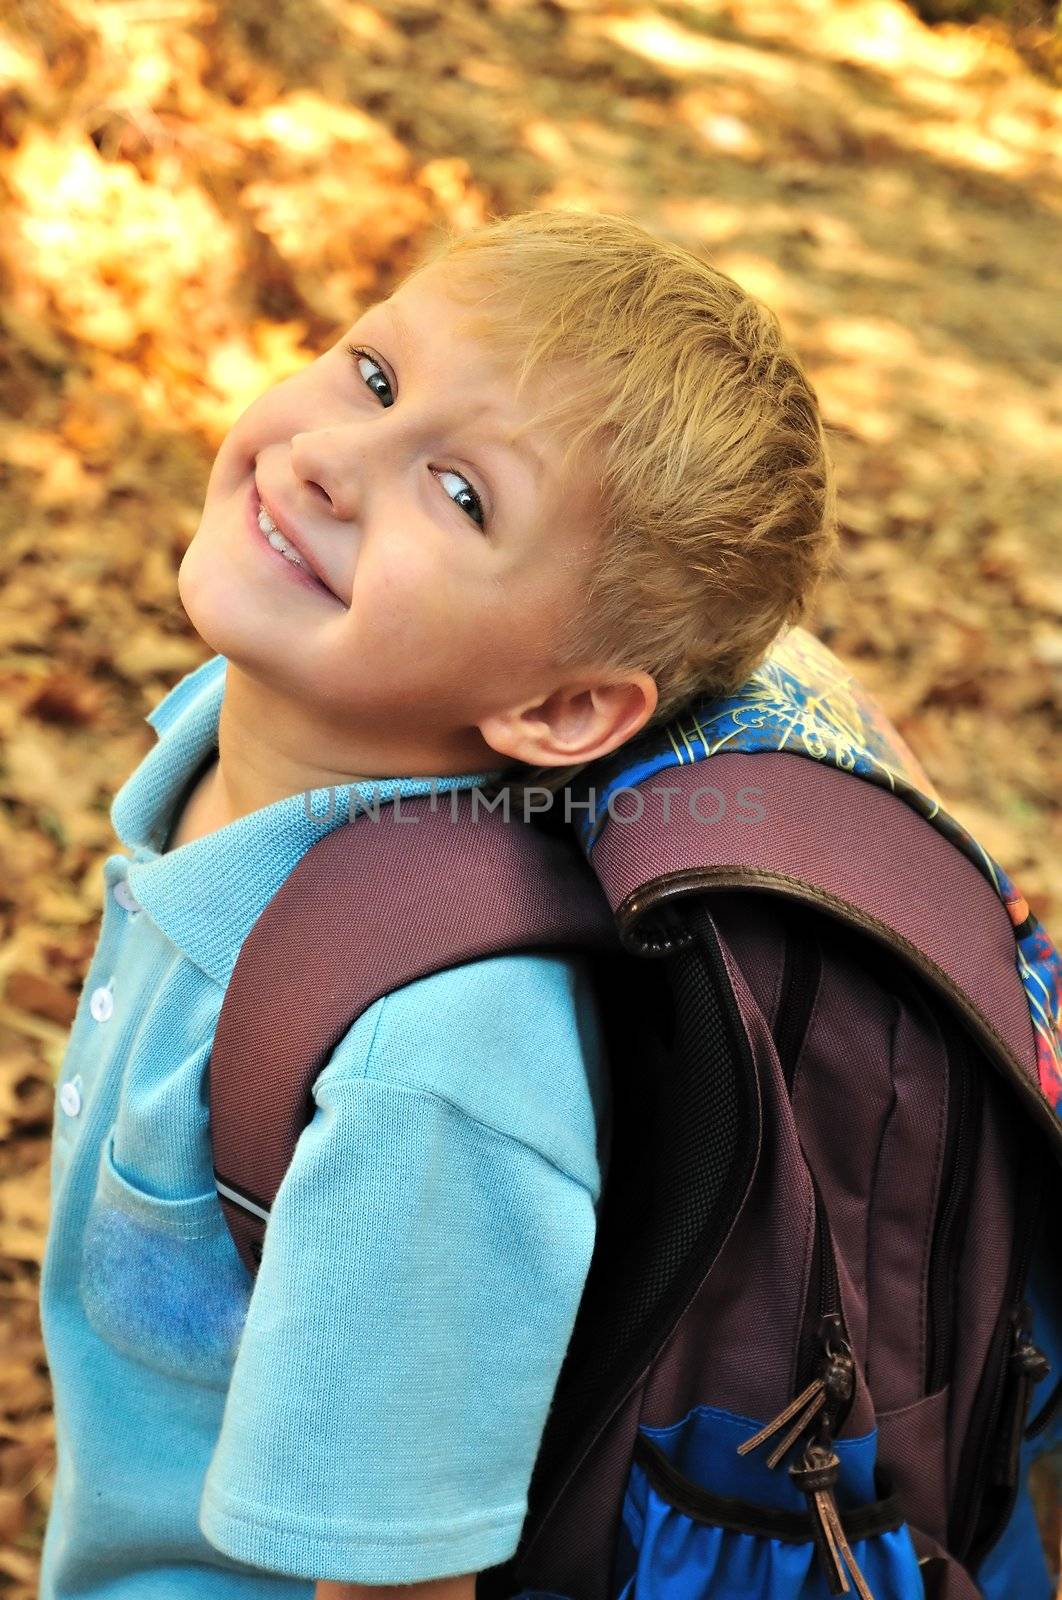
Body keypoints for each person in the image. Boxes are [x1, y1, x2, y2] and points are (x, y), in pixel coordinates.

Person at [38, 208, 837, 1599]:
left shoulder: (437, 1065)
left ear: (559, 707)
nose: (335, 460)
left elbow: (395, 1584)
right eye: (375, 375)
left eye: (460, 494)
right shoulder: (224, 741)